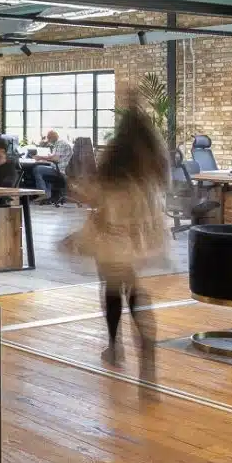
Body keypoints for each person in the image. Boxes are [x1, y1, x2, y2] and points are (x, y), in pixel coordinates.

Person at [65, 98, 173, 352]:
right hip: (143, 235)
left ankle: (114, 345)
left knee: (112, 287)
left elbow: (96, 193)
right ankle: (145, 339)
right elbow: (165, 188)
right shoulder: (154, 161)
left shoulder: (114, 156)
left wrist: (78, 189)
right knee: (132, 284)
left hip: (112, 235)